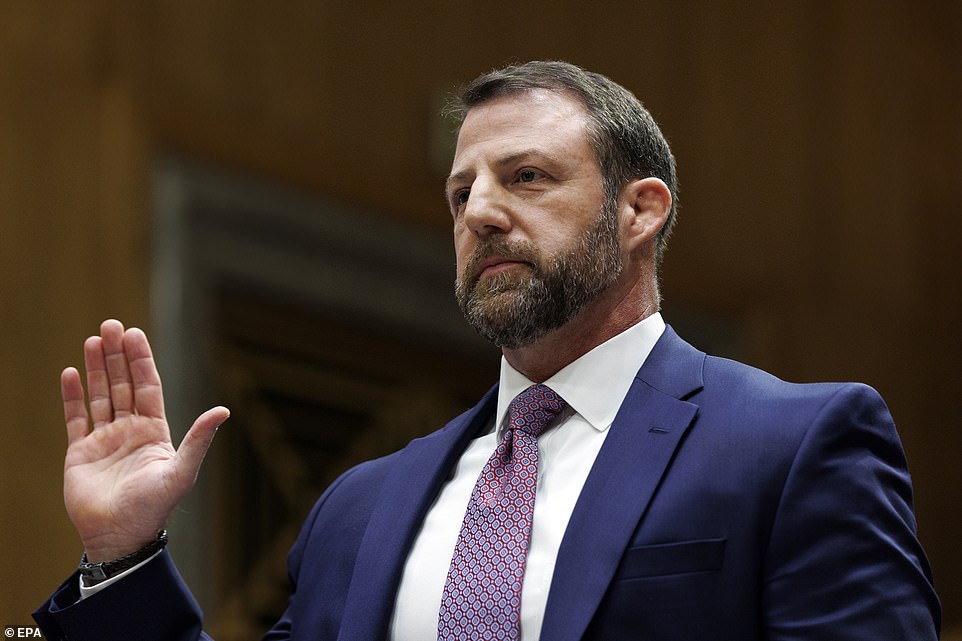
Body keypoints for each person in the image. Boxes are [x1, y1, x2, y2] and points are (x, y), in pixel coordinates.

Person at [34, 61, 939, 640]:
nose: (481, 213)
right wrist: (125, 556)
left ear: (641, 209)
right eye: (460, 193)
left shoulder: (793, 444)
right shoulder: (359, 507)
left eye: (527, 177)